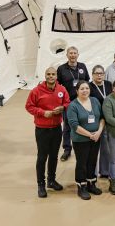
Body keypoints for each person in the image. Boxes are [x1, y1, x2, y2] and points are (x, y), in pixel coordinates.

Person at [25, 67, 70, 198]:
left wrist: (63, 107)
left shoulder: (62, 90)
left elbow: (68, 103)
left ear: (56, 76)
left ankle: (51, 180)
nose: (51, 76)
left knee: (54, 156)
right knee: (42, 157)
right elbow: (29, 106)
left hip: (56, 128)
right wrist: (43, 113)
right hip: (42, 129)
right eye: (48, 74)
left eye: (53, 74)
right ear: (45, 76)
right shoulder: (36, 91)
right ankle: (41, 184)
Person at [67, 80, 105, 200]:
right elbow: (74, 125)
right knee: (82, 163)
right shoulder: (73, 106)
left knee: (92, 161)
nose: (85, 91)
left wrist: (98, 132)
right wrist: (90, 135)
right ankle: (81, 186)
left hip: (96, 137)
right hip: (80, 139)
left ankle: (91, 183)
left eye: (87, 88)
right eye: (82, 89)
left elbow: (102, 118)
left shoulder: (94, 101)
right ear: (77, 91)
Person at [56, 46, 90, 162]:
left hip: (82, 101)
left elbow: (87, 81)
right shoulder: (61, 69)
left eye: (75, 53)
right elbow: (58, 86)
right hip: (68, 102)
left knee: (83, 123)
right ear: (67, 55)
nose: (73, 55)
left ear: (78, 55)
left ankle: (84, 144)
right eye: (70, 53)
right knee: (67, 126)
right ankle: (67, 149)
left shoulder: (83, 66)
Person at [89, 65, 113, 179]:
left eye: (101, 73)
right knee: (94, 148)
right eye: (97, 73)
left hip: (108, 119)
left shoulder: (108, 84)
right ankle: (92, 172)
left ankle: (105, 171)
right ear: (92, 75)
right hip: (95, 120)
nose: (99, 75)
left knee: (106, 147)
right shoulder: (89, 86)